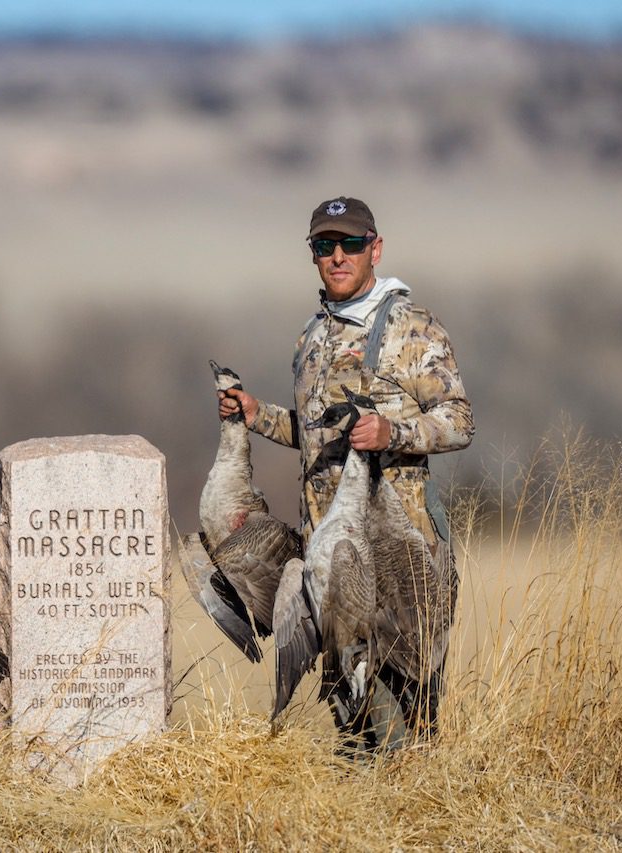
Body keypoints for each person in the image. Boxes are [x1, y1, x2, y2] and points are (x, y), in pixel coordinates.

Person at [218, 195, 473, 748]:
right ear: (313, 254)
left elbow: (459, 421)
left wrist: (393, 433)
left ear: (374, 249)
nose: (338, 255)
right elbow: (315, 439)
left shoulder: (413, 330)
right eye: (325, 245)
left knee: (409, 710)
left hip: (397, 552)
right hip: (329, 554)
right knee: (353, 715)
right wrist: (258, 416)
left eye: (351, 244)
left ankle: (418, 814)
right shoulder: (312, 336)